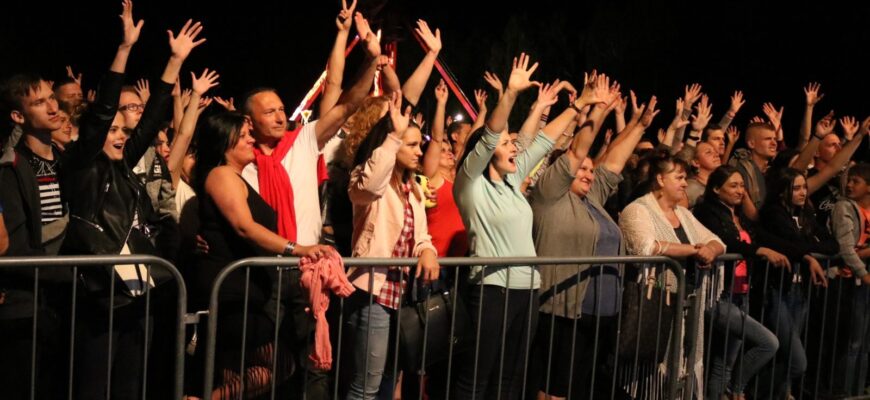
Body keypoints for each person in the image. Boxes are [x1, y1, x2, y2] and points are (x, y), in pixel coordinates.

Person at [58, 7, 199, 398]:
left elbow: (150, 122)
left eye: (123, 130)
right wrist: (124, 49)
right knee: (94, 387)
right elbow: (102, 112)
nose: (121, 135)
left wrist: (174, 61)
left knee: (130, 387)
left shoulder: (122, 166)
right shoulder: (83, 168)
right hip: (101, 297)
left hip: (136, 296)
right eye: (112, 130)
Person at [452, 55, 609, 399]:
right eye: (506, 144)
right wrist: (509, 94)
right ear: (486, 153)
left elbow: (544, 141)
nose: (514, 147)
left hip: (527, 290)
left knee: (509, 380)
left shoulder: (513, 180)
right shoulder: (469, 185)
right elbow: (490, 136)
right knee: (476, 378)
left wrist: (578, 105)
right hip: (493, 289)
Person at [530, 90, 657, 400]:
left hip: (601, 314)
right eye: (582, 169)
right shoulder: (550, 196)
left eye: (590, 169)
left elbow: (612, 163)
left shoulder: (593, 199)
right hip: (564, 311)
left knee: (579, 387)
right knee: (555, 389)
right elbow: (577, 150)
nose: (589, 173)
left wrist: (639, 126)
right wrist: (596, 109)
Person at [344, 93, 440, 400]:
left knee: (388, 381)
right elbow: (370, 186)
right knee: (366, 387)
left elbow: (421, 236)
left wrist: (427, 250)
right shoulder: (364, 176)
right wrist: (394, 137)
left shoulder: (412, 189)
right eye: (411, 145)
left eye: (418, 144)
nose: (419, 151)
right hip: (373, 292)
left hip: (402, 295)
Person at [693, 166, 786, 400]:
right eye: (733, 185)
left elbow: (761, 234)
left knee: (724, 362)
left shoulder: (739, 215)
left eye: (742, 185)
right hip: (719, 295)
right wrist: (760, 250)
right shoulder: (707, 212)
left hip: (741, 293)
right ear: (716, 189)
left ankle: (728, 391)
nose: (740, 191)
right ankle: (735, 390)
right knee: (768, 343)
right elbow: (725, 241)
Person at [755, 168, 838, 399]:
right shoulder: (773, 213)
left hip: (799, 291)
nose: (803, 193)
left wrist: (805, 250)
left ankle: (782, 394)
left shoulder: (806, 214)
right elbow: (790, 243)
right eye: (796, 188)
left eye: (804, 187)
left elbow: (832, 245)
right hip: (777, 290)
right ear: (783, 191)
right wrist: (807, 252)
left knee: (787, 355)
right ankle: (752, 391)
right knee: (797, 361)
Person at [829, 163, 870, 396]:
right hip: (848, 281)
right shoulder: (843, 207)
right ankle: (843, 392)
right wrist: (864, 273)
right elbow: (846, 248)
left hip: (862, 280)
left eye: (856, 181)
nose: (849, 185)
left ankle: (858, 390)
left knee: (864, 343)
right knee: (852, 342)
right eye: (849, 180)